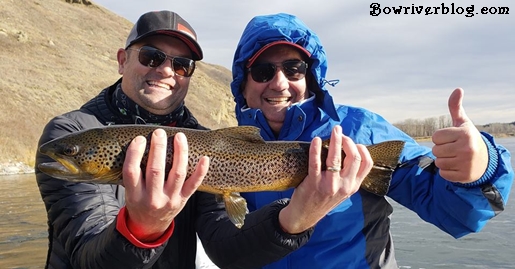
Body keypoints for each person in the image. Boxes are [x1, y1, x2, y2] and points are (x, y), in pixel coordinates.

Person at [36, 10, 354, 269]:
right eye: (151, 57)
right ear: (122, 60)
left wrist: (294, 220)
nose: (165, 70)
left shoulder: (201, 143)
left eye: (181, 64)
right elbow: (87, 253)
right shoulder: (71, 133)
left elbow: (227, 250)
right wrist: (140, 229)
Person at [226, 13, 514, 268]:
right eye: (263, 71)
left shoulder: (362, 130)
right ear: (243, 82)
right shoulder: (225, 149)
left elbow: (457, 215)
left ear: (310, 76)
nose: (279, 83)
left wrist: (480, 170)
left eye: (293, 69)